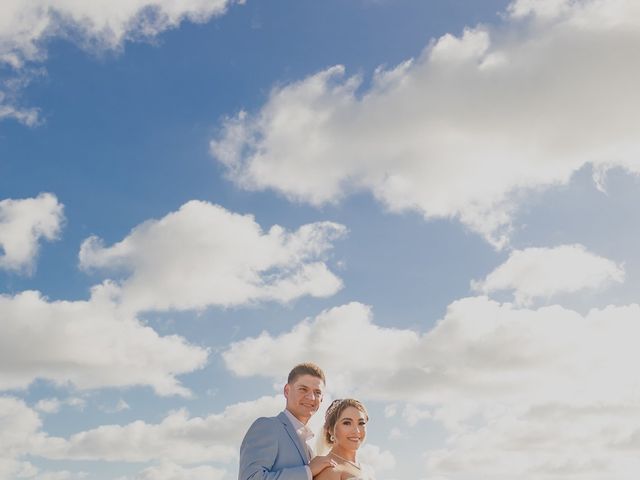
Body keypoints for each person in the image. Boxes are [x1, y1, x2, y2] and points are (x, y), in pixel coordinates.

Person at [238, 362, 337, 480]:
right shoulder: (267, 426)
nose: (311, 397)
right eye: (303, 389)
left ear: (322, 399)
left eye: (317, 392)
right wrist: (308, 471)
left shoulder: (309, 448)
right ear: (287, 391)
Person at [314, 399, 374, 480]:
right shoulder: (330, 470)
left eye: (361, 423)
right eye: (347, 423)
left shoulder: (367, 469)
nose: (356, 431)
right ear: (331, 430)